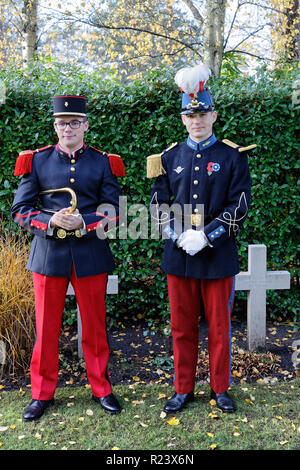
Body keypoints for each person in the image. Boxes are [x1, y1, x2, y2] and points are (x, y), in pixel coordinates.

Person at [147, 64, 255, 413]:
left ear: (214, 115)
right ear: (182, 119)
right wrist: (177, 235)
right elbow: (157, 204)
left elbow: (239, 204)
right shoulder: (168, 156)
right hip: (179, 254)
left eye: (203, 114)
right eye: (190, 116)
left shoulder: (231, 155)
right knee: (181, 326)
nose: (197, 121)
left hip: (218, 253)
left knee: (220, 328)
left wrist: (207, 236)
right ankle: (183, 389)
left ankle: (220, 389)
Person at [11, 95, 125, 421]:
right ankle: (41, 393)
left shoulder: (103, 163)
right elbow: (20, 211)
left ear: (86, 125)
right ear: (54, 125)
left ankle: (101, 388)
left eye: (75, 122)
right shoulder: (36, 161)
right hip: (48, 255)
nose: (68, 129)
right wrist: (50, 221)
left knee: (94, 327)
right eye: (62, 123)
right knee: (46, 329)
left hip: (90, 253)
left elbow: (114, 210)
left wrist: (85, 222)